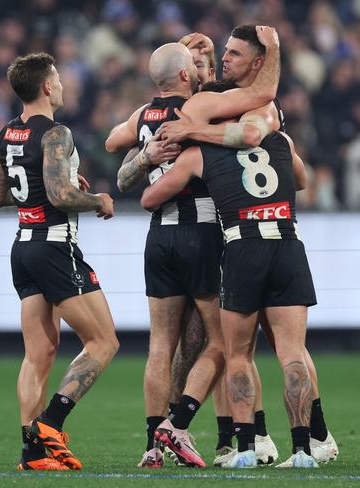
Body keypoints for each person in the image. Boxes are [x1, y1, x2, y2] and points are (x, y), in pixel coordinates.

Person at [158, 27, 338, 466]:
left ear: (259, 63)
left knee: (243, 350)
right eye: (222, 54)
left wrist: (194, 133)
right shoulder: (262, 110)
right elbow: (298, 175)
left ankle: (256, 441)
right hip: (282, 237)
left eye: (234, 54)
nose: (224, 60)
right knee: (286, 348)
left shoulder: (251, 106)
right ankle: (307, 441)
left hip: (241, 243)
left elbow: (247, 135)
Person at [103, 26, 280, 468]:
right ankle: (201, 429)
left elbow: (111, 141)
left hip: (157, 235)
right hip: (201, 232)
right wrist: (272, 51)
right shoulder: (199, 109)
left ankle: (152, 445)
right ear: (185, 75)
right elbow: (261, 93)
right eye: (196, 65)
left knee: (160, 345)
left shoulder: (144, 113)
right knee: (225, 345)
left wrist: (145, 156)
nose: (206, 69)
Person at [0, 52, 119, 471]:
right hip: (54, 245)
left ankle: (31, 452)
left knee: (39, 354)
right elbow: (62, 198)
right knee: (104, 342)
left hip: (23, 247)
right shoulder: (56, 133)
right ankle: (51, 423)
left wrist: (53, 183)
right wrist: (96, 199)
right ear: (47, 86)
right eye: (58, 78)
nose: (62, 84)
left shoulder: (6, 133)